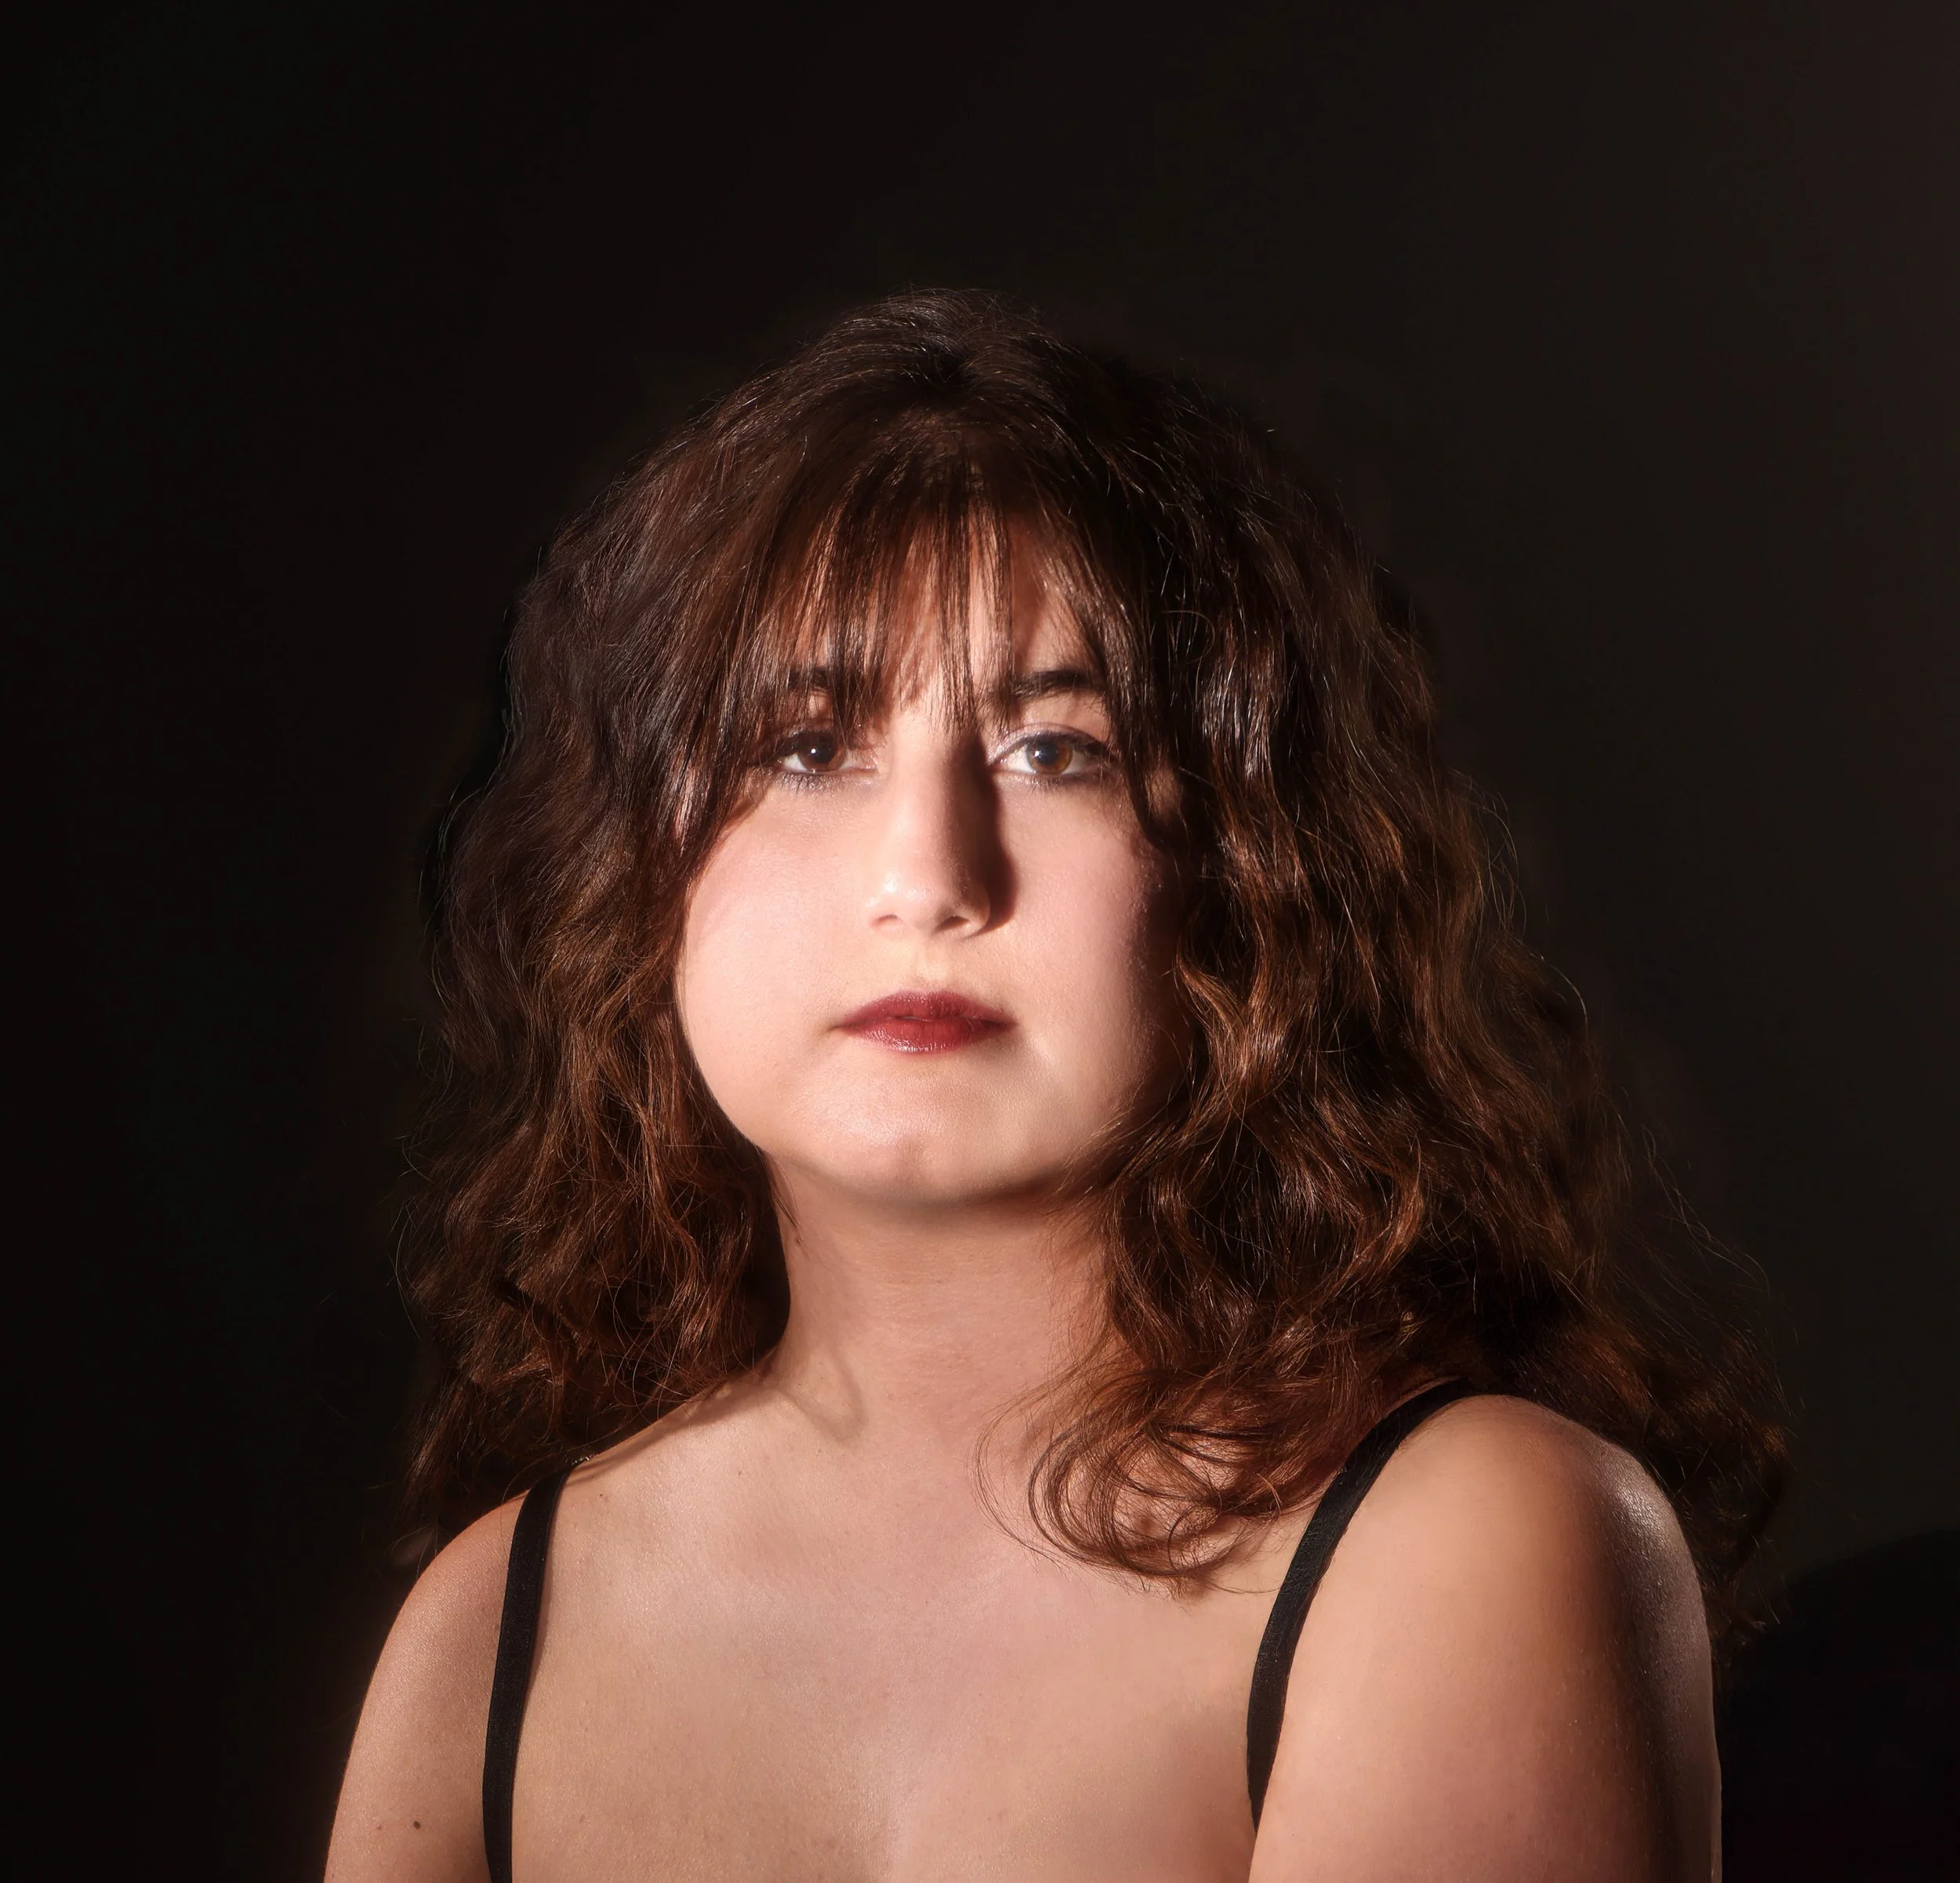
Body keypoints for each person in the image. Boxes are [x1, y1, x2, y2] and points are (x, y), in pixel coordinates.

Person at [325, 290, 1783, 1881]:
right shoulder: (486, 1636)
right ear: (642, 876)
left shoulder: (1469, 1541)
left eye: (1055, 751)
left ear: (1242, 875)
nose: (926, 877)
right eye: (804, 748)